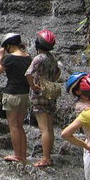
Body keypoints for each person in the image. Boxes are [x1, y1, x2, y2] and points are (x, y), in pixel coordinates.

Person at [25, 29, 61, 167]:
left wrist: (33, 85)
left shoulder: (39, 58)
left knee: (43, 128)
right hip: (50, 94)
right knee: (49, 127)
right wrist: (51, 81)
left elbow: (28, 74)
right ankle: (48, 156)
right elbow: (58, 73)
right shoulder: (52, 58)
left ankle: (46, 158)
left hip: (39, 95)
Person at [0, 32, 32, 163]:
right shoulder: (28, 57)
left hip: (12, 94)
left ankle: (17, 155)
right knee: (20, 125)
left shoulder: (9, 58)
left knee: (13, 126)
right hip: (24, 94)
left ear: (9, 45)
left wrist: (0, 57)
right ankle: (23, 155)